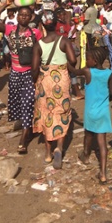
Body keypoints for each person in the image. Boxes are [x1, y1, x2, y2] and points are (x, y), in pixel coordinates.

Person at [32, 10, 76, 168]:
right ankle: (59, 147)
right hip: (62, 79)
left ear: (42, 24)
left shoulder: (39, 44)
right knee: (61, 112)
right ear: (57, 23)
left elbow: (34, 68)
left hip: (45, 81)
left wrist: (35, 83)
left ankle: (48, 153)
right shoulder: (63, 41)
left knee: (46, 112)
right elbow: (73, 60)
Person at [0, 0, 43, 154]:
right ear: (17, 16)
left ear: (31, 17)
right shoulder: (9, 29)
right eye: (21, 15)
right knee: (17, 103)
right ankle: (28, 126)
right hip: (14, 73)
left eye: (27, 15)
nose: (24, 17)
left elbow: (42, 51)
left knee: (27, 103)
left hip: (30, 73)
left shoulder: (36, 33)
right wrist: (5, 5)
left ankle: (24, 138)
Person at [68, 47, 112, 183]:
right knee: (102, 142)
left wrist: (67, 62)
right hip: (103, 111)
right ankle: (103, 173)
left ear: (94, 61)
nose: (85, 61)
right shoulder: (109, 73)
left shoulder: (87, 72)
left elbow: (74, 71)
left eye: (87, 59)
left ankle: (86, 156)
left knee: (88, 135)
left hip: (90, 111)